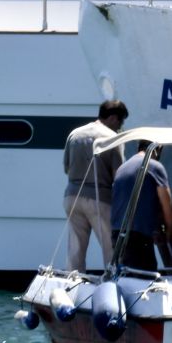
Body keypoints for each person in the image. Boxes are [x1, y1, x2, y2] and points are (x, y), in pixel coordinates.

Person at [62, 99, 129, 272]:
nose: (120, 127)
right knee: (110, 247)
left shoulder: (75, 134)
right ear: (114, 118)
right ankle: (113, 280)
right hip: (99, 198)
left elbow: (66, 167)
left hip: (71, 196)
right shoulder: (112, 139)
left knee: (75, 247)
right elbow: (119, 176)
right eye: (121, 122)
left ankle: (73, 282)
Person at [110, 140, 172, 271]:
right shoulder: (155, 166)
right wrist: (168, 232)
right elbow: (167, 205)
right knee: (145, 276)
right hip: (138, 235)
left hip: (117, 233)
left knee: (125, 275)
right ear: (157, 149)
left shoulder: (123, 167)